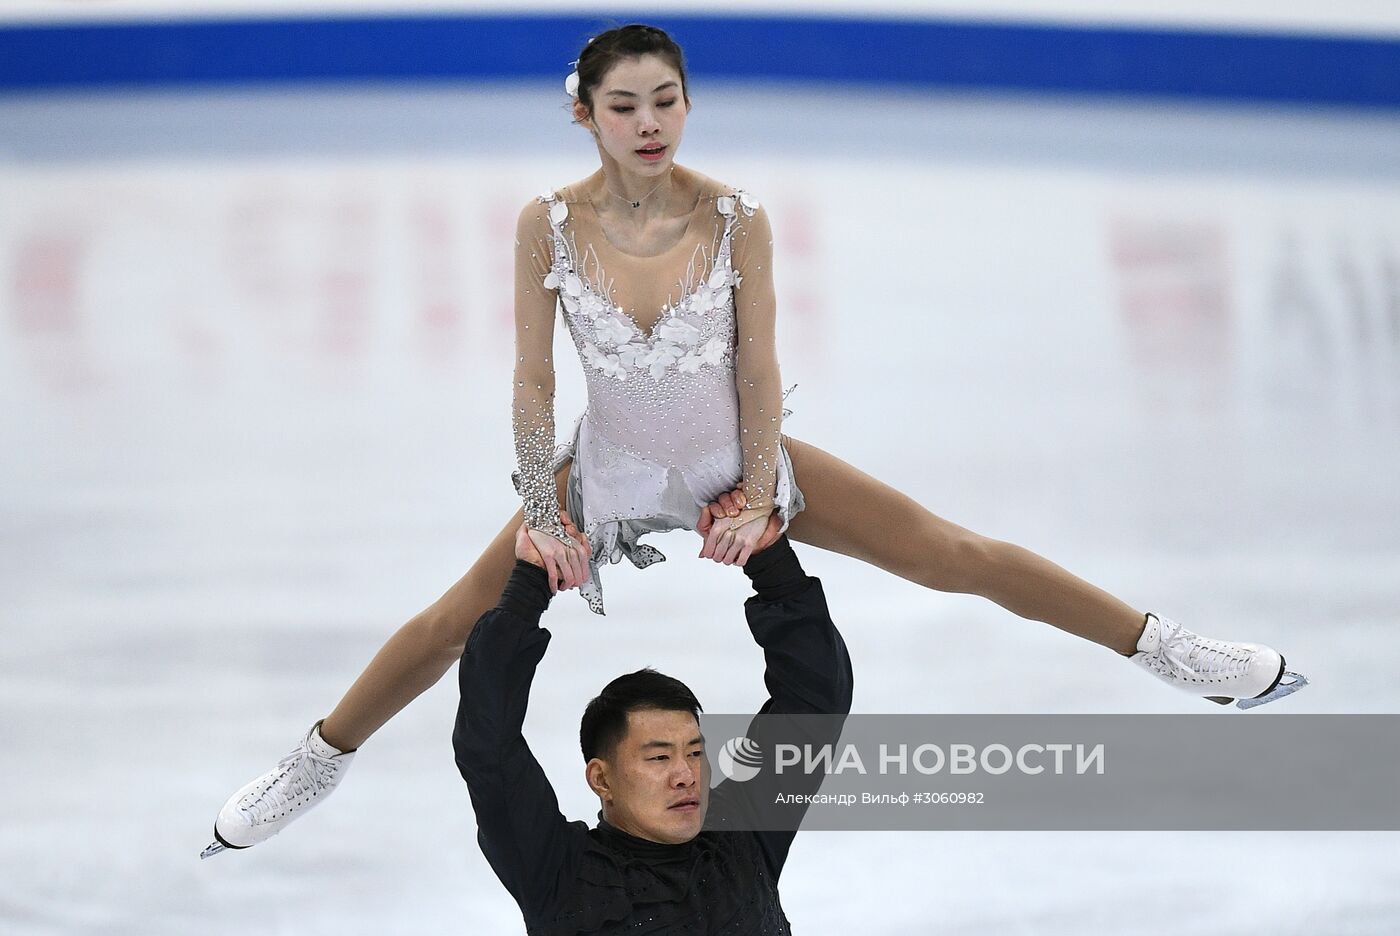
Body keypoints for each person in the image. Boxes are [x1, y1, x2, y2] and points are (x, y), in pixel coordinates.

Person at [200, 23, 1305, 859]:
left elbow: (759, 366)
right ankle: (314, 764)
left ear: (687, 105)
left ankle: (1170, 651)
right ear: (582, 112)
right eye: (624, 104)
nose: (648, 122)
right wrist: (545, 509)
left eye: (665, 101)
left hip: (738, 453)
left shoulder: (736, 217)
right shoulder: (543, 222)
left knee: (947, 554)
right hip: (609, 467)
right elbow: (534, 376)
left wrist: (761, 488)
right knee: (453, 619)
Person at [455, 506, 851, 933]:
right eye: (659, 758)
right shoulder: (557, 871)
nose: (686, 775)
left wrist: (771, 561)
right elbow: (488, 743)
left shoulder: (741, 834)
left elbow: (815, 704)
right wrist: (529, 585)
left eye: (695, 752)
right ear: (601, 779)